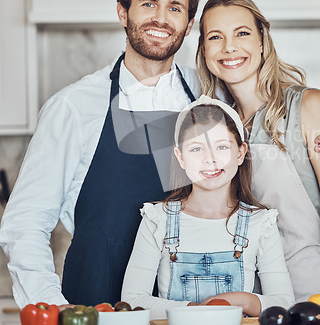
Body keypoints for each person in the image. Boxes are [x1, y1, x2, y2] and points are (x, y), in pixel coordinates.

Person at [0, 0, 320, 308]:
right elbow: (24, 224)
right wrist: (51, 305)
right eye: (148, 4)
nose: (161, 18)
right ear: (123, 12)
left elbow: (269, 103)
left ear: (189, 26)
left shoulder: (208, 97)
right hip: (99, 305)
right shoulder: (74, 108)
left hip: (199, 306)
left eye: (175, 8)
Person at [196, 0, 320, 300]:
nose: (229, 47)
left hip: (307, 298)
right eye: (215, 37)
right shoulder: (214, 126)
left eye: (242, 33)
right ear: (204, 50)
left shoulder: (310, 108)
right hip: (235, 303)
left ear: (262, 42)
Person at [121, 96, 295, 319]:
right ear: (180, 157)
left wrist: (240, 300)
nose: (210, 159)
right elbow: (132, 300)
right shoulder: (157, 219)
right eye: (196, 149)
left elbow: (285, 304)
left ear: (240, 153)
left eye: (222, 146)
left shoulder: (261, 223)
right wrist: (201, 311)